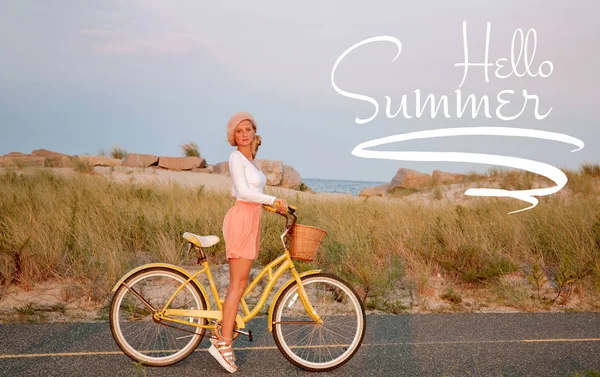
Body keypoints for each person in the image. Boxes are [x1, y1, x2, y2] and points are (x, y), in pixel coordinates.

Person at [208, 112, 288, 373]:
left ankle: (223, 333)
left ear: (254, 131)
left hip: (252, 219)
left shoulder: (251, 161)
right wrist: (273, 200)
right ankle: (224, 342)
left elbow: (254, 193)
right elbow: (243, 193)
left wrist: (273, 208)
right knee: (238, 284)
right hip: (241, 219)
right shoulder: (235, 158)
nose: (244, 134)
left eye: (248, 129)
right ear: (234, 136)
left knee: (239, 283)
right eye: (239, 130)